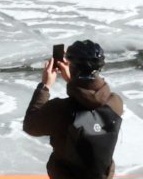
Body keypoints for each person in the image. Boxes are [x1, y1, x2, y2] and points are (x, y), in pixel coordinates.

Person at [22, 39, 125, 179]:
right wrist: (73, 81)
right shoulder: (116, 104)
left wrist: (45, 86)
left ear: (72, 68)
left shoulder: (61, 110)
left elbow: (30, 126)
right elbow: (91, 100)